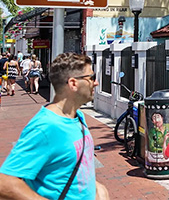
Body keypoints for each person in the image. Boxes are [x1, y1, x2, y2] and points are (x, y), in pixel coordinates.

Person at [0, 52, 109, 199]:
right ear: (73, 83)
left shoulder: (77, 116)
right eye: (91, 78)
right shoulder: (46, 126)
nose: (95, 83)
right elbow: (5, 182)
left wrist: (97, 189)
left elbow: (72, 168)